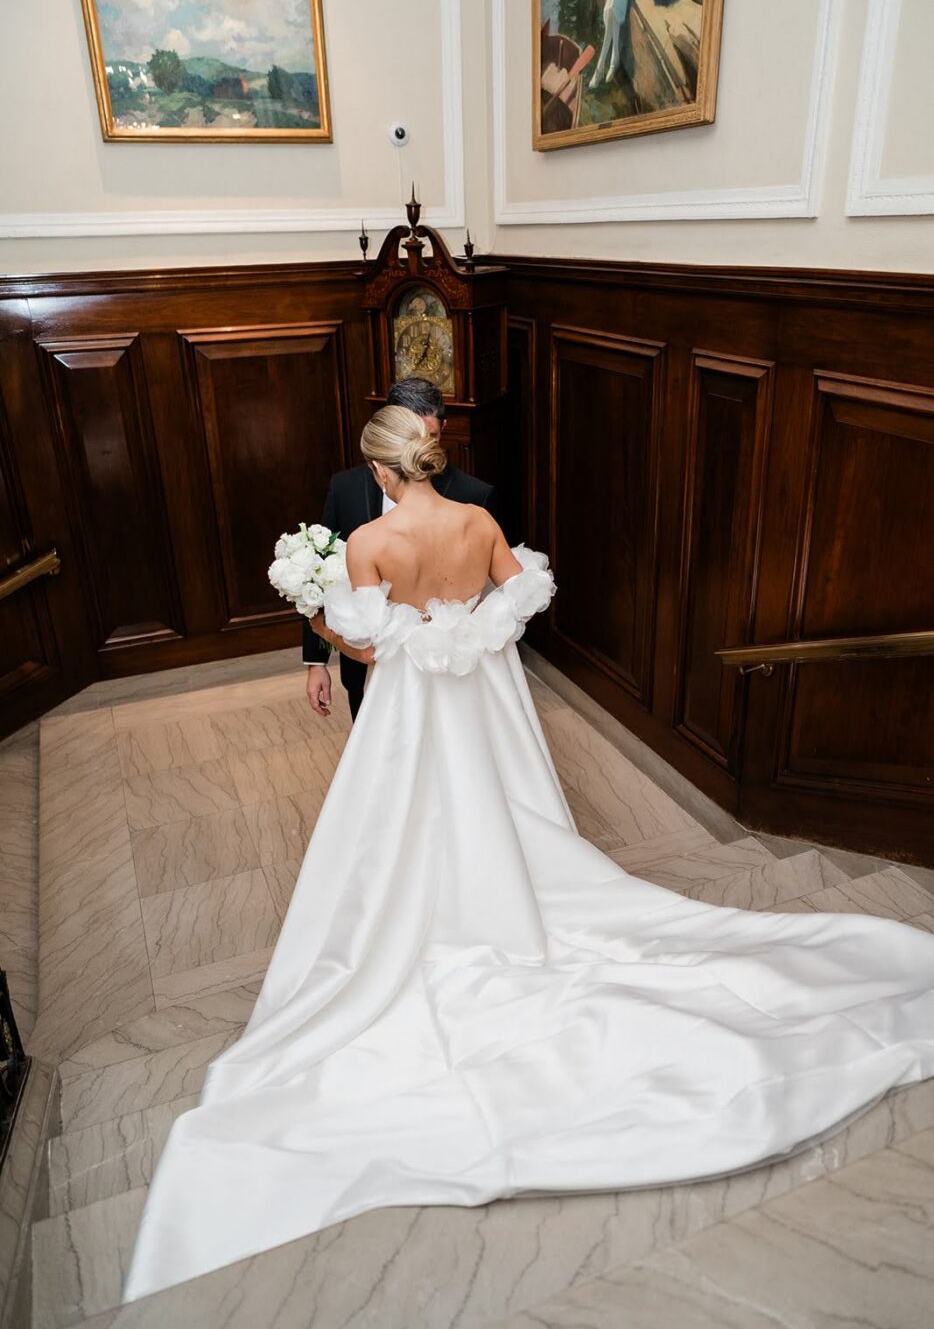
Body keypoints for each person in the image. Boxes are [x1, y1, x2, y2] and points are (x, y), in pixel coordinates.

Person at [123, 409, 934, 1302]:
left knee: (399, 817)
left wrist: (322, 614)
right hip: (483, 696)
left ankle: (425, 906)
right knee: (499, 802)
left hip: (410, 710)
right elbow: (520, 599)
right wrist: (462, 632)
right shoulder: (478, 520)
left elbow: (369, 647)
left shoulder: (369, 542)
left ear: (380, 473)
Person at [303, 376, 495, 721]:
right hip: (369, 675)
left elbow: (489, 597)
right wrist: (316, 661)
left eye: (427, 437)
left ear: (444, 430)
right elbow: (321, 575)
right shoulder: (346, 488)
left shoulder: (473, 497)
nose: (414, 452)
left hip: (453, 675)